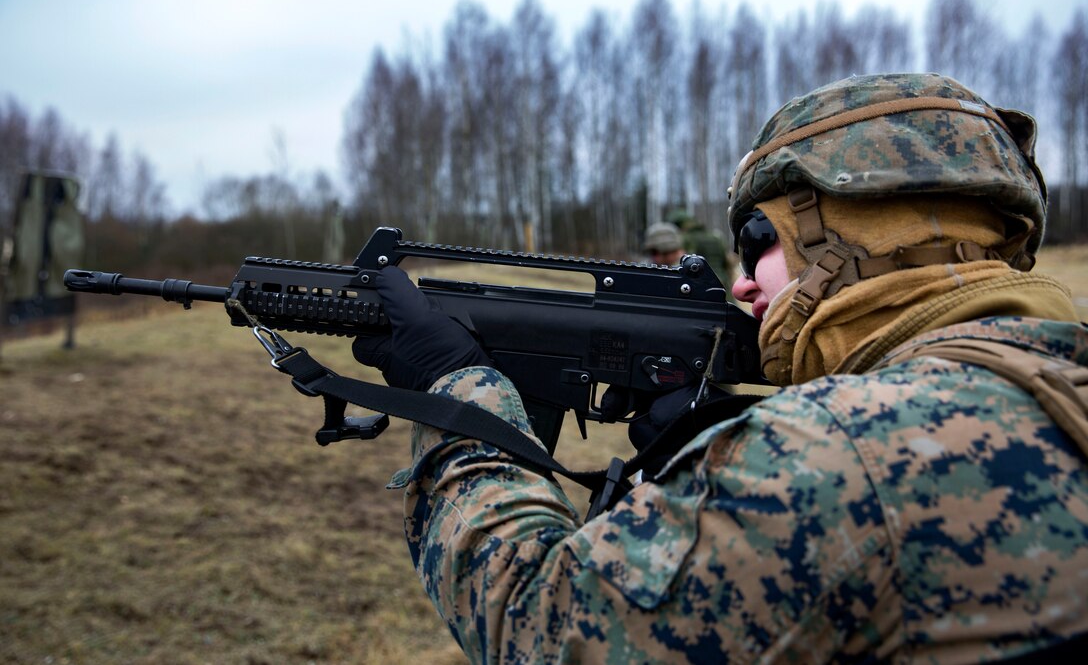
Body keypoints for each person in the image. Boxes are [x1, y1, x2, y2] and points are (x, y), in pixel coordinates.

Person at [354, 73, 1088, 662]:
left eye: (759, 238)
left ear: (860, 233)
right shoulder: (1055, 372)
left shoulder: (832, 452)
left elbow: (537, 627)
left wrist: (460, 396)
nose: (741, 284)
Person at [668, 208, 733, 288]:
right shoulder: (716, 237)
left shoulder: (685, 239)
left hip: (698, 287)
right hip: (722, 284)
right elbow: (728, 263)